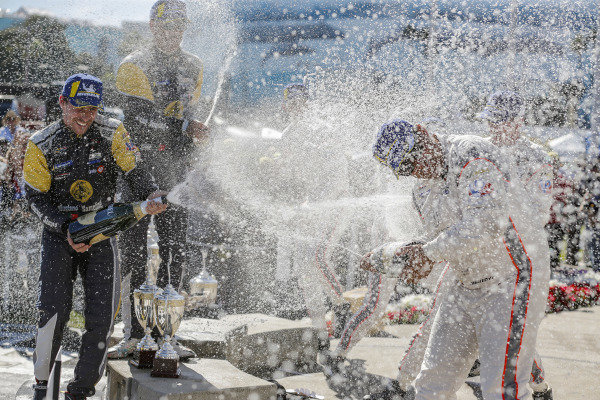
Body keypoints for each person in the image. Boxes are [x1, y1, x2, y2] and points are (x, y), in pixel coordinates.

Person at [361, 101, 553, 400]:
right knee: (431, 384)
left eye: (415, 157)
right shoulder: (421, 190)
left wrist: (428, 253)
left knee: (500, 388)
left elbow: (484, 223)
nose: (417, 169)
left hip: (511, 277)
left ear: (424, 134)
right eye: (406, 168)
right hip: (464, 282)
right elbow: (441, 239)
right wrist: (406, 253)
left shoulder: (469, 152)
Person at [23, 73, 167, 400]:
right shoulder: (40, 143)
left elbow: (135, 170)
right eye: (77, 108)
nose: (84, 117)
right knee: (53, 311)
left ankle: (81, 390)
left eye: (92, 109)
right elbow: (35, 198)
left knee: (102, 316)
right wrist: (65, 228)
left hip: (101, 232)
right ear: (62, 102)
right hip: (59, 234)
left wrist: (151, 193)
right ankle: (42, 385)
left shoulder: (113, 131)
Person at [109, 0, 209, 359]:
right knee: (133, 250)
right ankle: (133, 334)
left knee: (174, 251)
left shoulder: (194, 65)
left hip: (175, 168)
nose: (172, 34)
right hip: (135, 166)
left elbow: (191, 114)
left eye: (178, 27)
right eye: (165, 27)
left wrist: (198, 143)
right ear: (152, 26)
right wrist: (186, 126)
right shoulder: (132, 64)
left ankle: (169, 334)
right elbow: (138, 119)